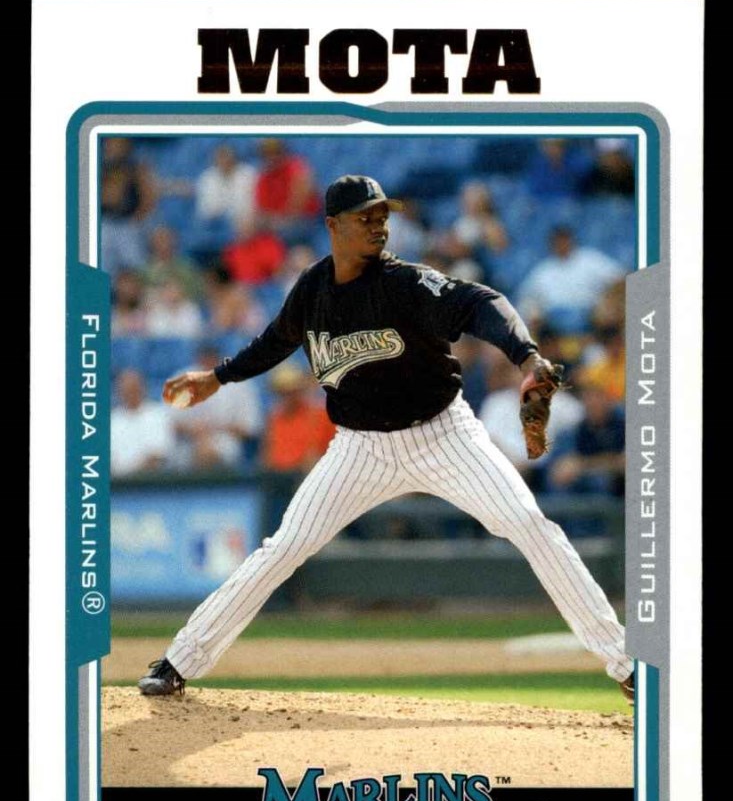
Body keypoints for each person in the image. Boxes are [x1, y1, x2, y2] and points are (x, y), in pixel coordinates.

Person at [139, 175, 634, 707]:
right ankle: (179, 661)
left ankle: (627, 663)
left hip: (444, 437)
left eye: (383, 216)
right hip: (360, 449)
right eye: (365, 217)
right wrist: (218, 377)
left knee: (531, 526)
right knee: (284, 547)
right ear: (333, 226)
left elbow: (481, 302)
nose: (379, 226)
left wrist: (527, 358)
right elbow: (276, 340)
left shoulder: (405, 283)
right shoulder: (312, 289)